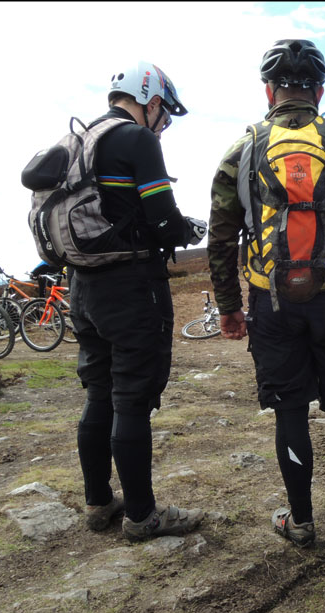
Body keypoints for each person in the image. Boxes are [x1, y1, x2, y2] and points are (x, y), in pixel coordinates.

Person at [206, 39, 325, 548]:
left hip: (272, 300)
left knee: (290, 411)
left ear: (269, 91)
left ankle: (300, 521)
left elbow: (221, 235)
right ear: (319, 92)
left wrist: (229, 306)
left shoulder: (243, 148)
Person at [68, 62, 206, 541]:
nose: (163, 126)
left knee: (98, 393)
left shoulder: (82, 139)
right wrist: (186, 229)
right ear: (152, 102)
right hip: (130, 286)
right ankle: (143, 515)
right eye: (165, 116)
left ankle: (98, 501)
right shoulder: (137, 139)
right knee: (131, 398)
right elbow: (162, 217)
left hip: (83, 284)